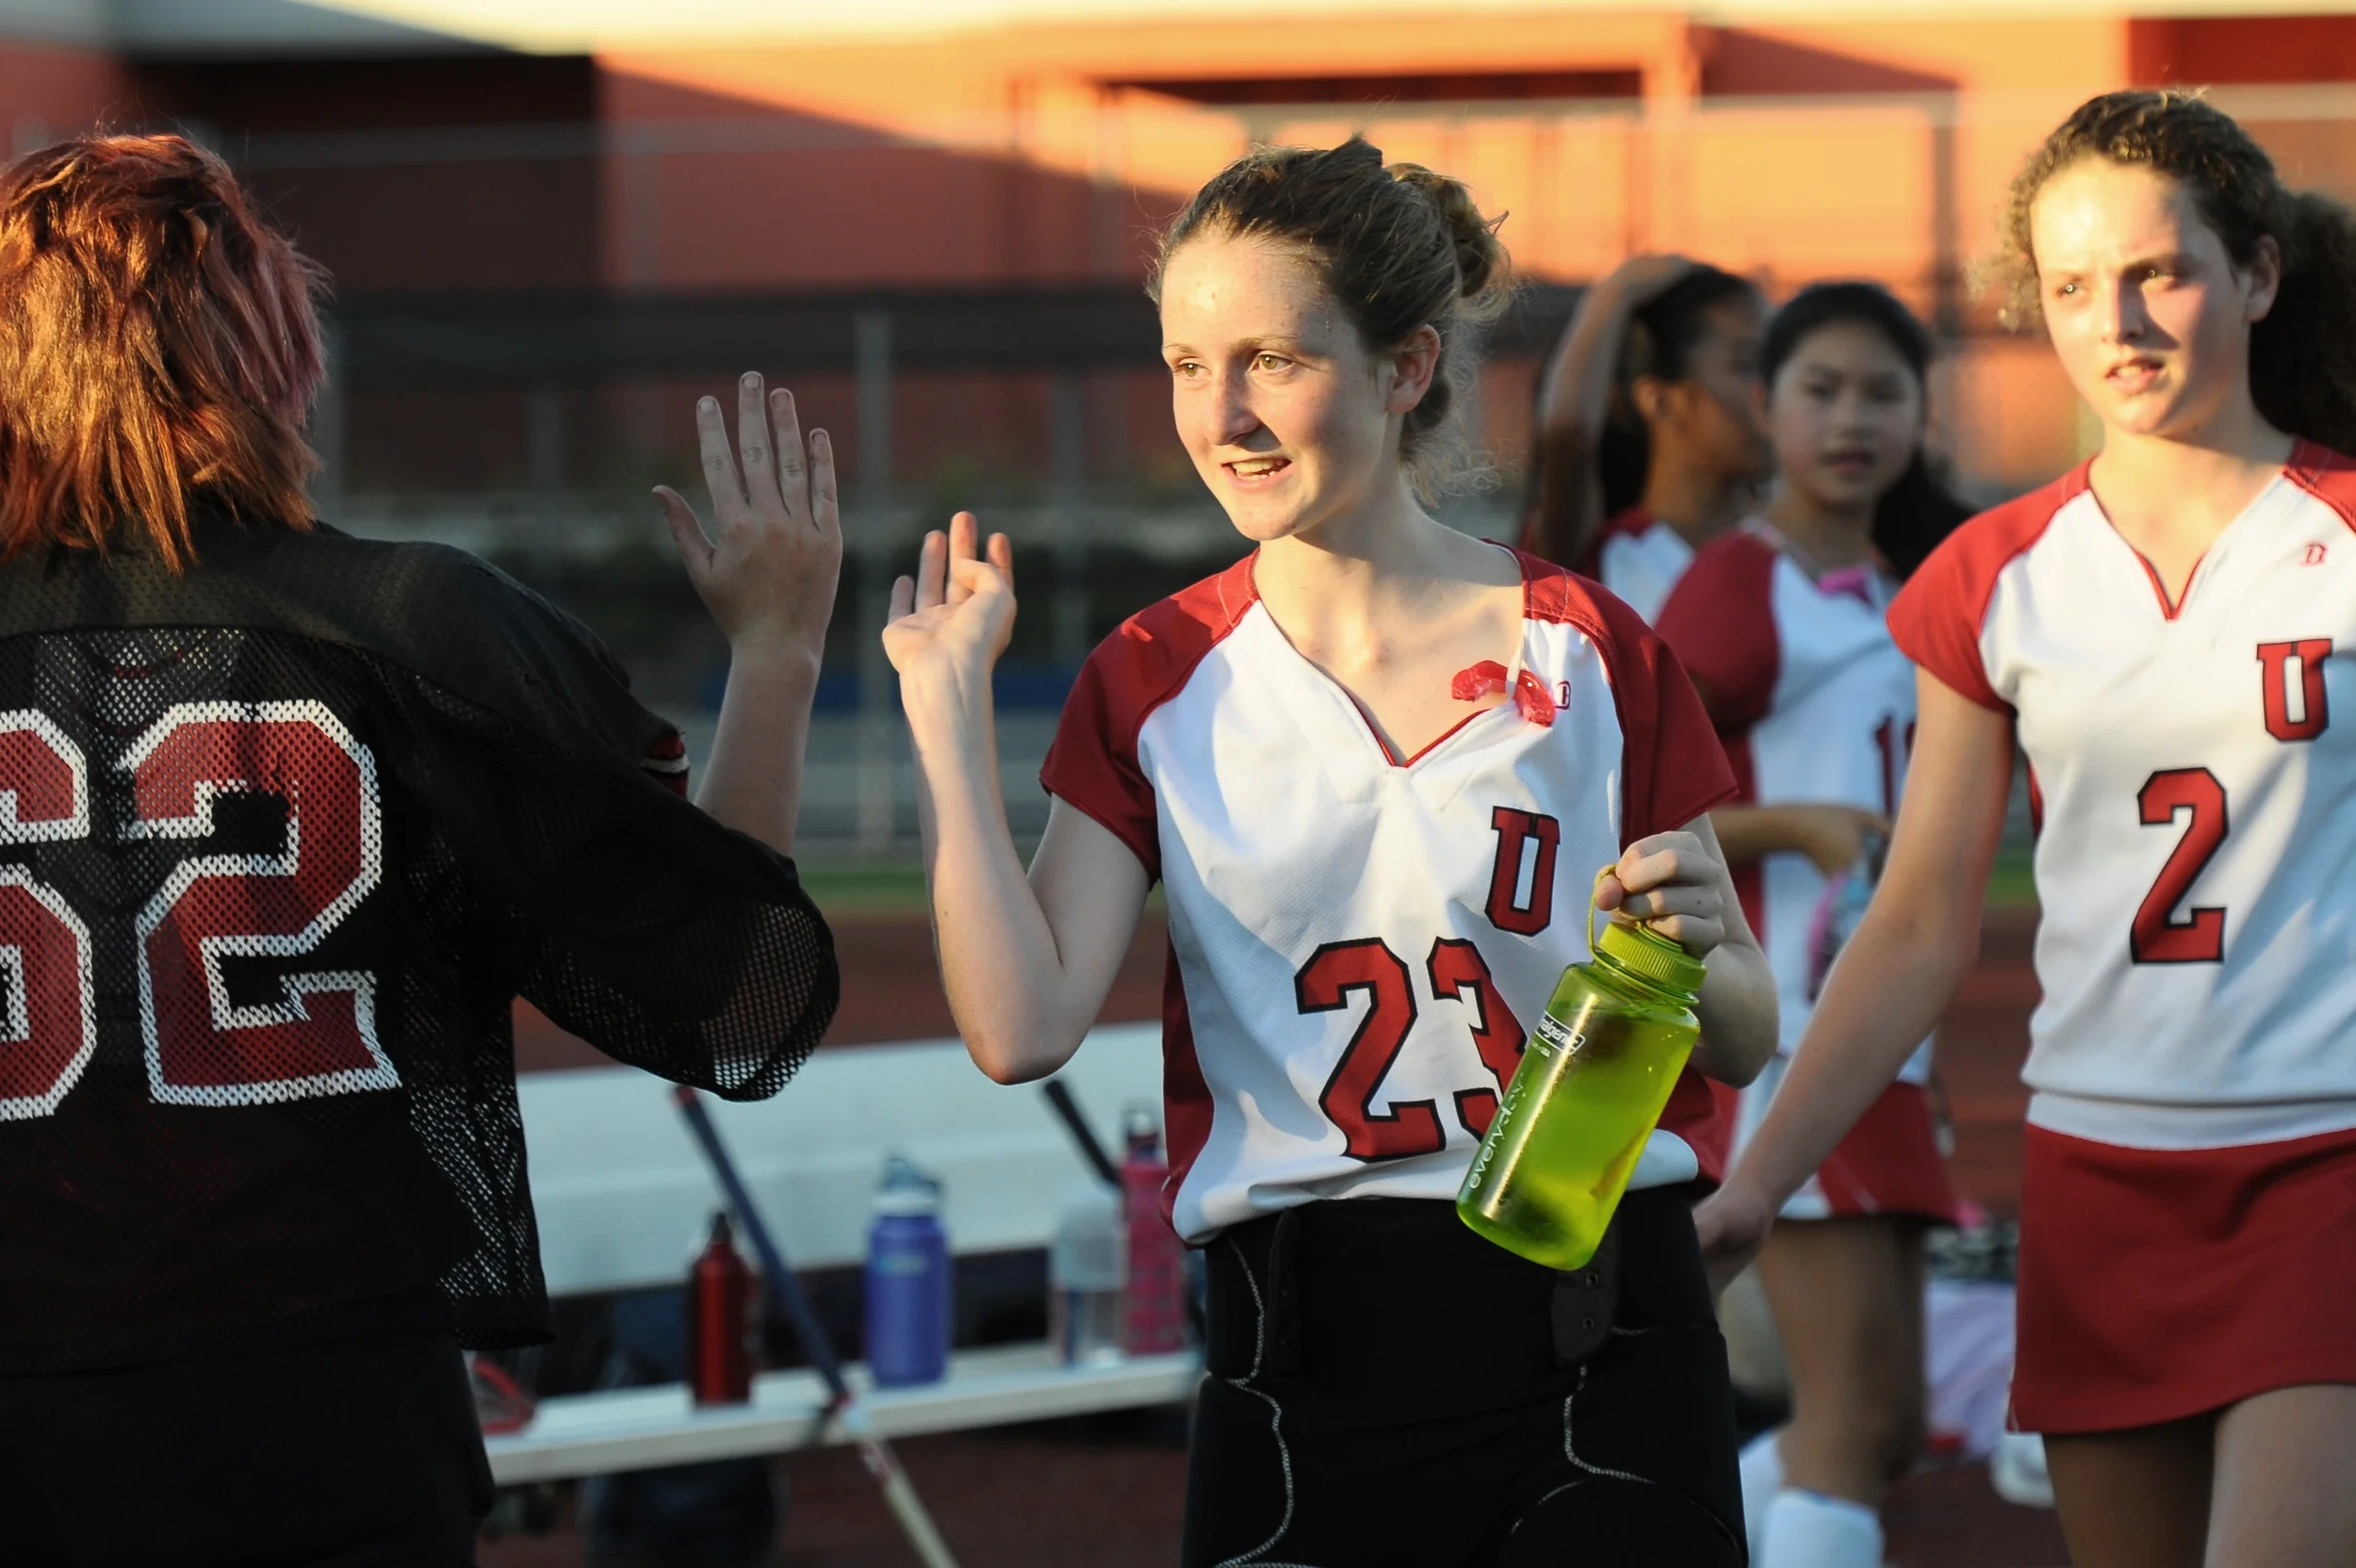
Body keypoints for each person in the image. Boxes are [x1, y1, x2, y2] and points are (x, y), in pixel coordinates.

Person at [884, 136, 1777, 1565]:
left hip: (1601, 1317)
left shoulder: (1592, 648)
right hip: (1304, 1347)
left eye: (1272, 361)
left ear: (1406, 366)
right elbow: (1019, 1024)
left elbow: (1739, 1031)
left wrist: (1708, 942)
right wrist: (944, 713)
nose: (1222, 414)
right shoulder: (1153, 675)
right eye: (1187, 365)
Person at [0, 133, 842, 1564]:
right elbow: (739, 1000)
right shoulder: (415, 623)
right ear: (262, 353)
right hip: (326, 1419)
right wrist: (777, 653)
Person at [1696, 90, 2356, 1568]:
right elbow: (1919, 922)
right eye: (2071, 287)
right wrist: (1758, 1183)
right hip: (2098, 1181)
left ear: (2257, 274)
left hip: (2329, 1162)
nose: (2116, 322)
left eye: (2159, 273)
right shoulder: (1995, 576)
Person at [1653, 282, 1972, 1568]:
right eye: (1821, 390)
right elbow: (1619, 800)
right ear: (1764, 404)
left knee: (1884, 1426)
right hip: (1787, 1032)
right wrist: (1794, 825)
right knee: (1846, 1425)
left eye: (1883, 393)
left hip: (1883, 1037)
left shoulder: (1903, 581)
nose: (1852, 420)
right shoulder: (1740, 583)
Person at [1520, 253, 1775, 620]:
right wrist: (1616, 293)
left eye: (1778, 364)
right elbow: (1568, 430)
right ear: (1659, 400)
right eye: (1747, 365)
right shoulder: (1604, 553)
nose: (1771, 390)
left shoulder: (1795, 544)